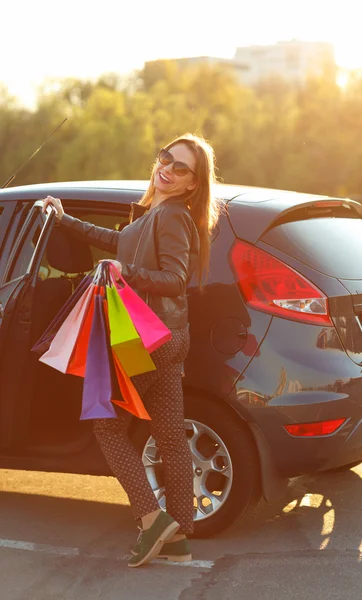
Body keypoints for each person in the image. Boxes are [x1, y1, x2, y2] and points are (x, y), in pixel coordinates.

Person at [42, 133, 220, 568]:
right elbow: (113, 240)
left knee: (106, 424)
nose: (168, 169)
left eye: (181, 168)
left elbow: (175, 279)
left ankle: (150, 518)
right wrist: (66, 221)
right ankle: (178, 541)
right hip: (167, 338)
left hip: (149, 340)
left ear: (194, 183)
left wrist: (128, 272)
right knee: (171, 440)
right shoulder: (154, 214)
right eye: (166, 158)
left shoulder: (175, 216)